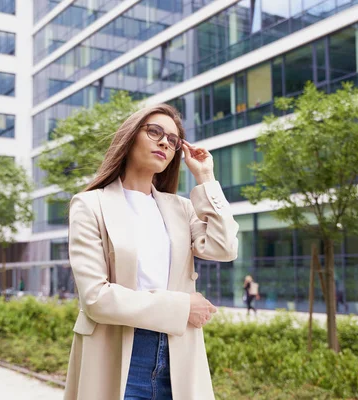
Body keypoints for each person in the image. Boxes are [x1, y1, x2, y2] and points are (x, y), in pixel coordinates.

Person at [64, 104, 239, 400]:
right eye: (155, 132)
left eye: (172, 140)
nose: (164, 143)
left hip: (178, 355)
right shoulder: (90, 205)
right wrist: (183, 307)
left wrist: (206, 179)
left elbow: (225, 248)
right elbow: (95, 297)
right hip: (118, 354)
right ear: (131, 137)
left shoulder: (180, 208)